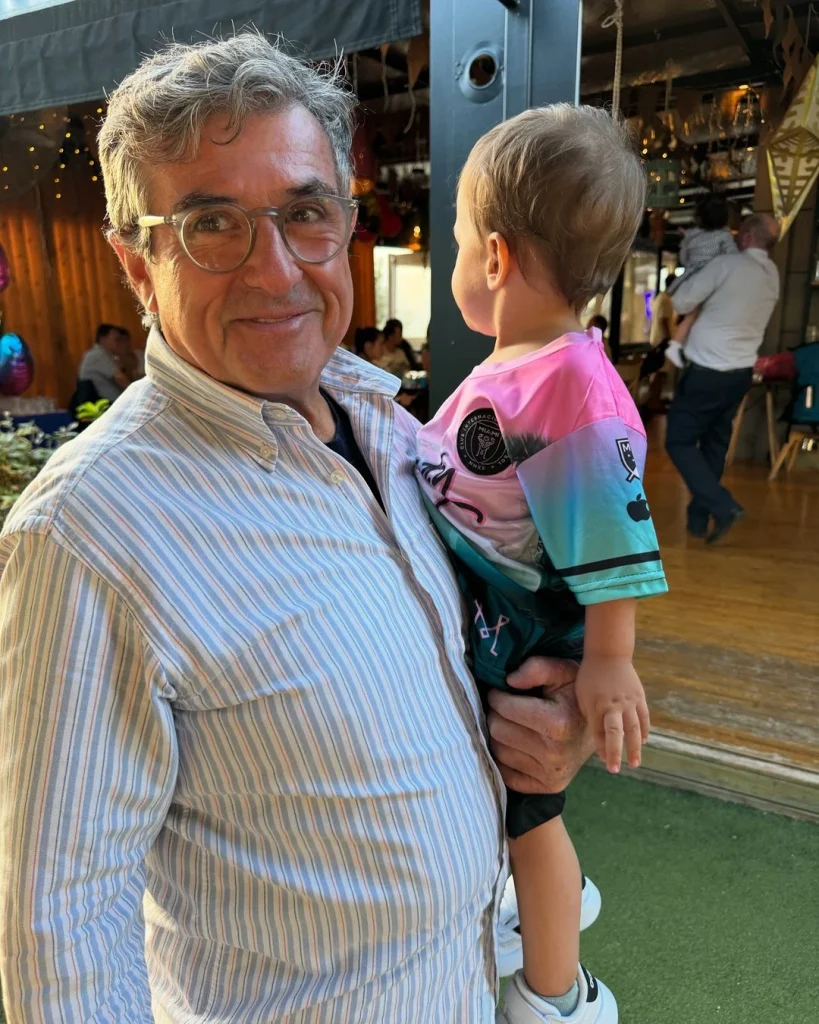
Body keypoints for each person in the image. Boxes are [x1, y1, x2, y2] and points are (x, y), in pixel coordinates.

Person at [0, 33, 598, 1024]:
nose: (275, 271)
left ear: (344, 225)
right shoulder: (89, 532)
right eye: (212, 225)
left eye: (304, 214)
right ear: (137, 263)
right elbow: (58, 929)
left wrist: (551, 730)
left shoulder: (396, 432)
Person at [417, 105, 668, 1024]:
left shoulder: (569, 384)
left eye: (453, 245)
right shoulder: (518, 365)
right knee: (510, 815)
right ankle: (529, 909)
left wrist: (608, 658)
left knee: (531, 818)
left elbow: (611, 530)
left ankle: (554, 995)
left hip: (515, 624)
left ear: (493, 257)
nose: (454, 263)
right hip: (490, 606)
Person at [666, 212, 780, 544]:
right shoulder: (772, 274)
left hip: (707, 371)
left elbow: (681, 301)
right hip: (740, 374)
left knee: (679, 440)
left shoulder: (726, 266)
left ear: (747, 236)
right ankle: (698, 520)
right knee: (714, 445)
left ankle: (723, 505)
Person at [665, 194, 737, 369]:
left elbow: (684, 259)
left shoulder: (691, 235)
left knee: (692, 315)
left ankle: (677, 344)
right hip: (711, 279)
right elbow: (733, 257)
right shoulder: (724, 235)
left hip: (691, 280)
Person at [77, 322, 134, 402]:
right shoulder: (98, 354)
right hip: (103, 405)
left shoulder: (108, 355)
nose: (119, 343)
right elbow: (121, 379)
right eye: (116, 340)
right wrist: (136, 394)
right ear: (103, 339)